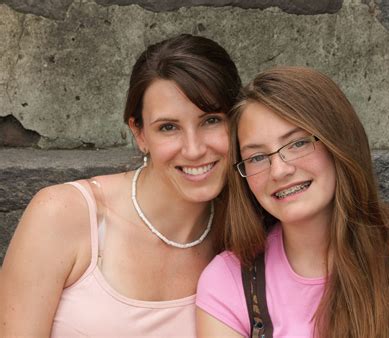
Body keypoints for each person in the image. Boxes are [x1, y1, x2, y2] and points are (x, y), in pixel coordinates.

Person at [196, 66, 389, 337]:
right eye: (257, 157)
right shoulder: (229, 280)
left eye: (298, 143)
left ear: (337, 142)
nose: (279, 170)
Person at [0, 33, 241, 337]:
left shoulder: (245, 232)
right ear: (139, 133)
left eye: (211, 120)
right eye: (168, 127)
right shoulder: (62, 214)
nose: (193, 149)